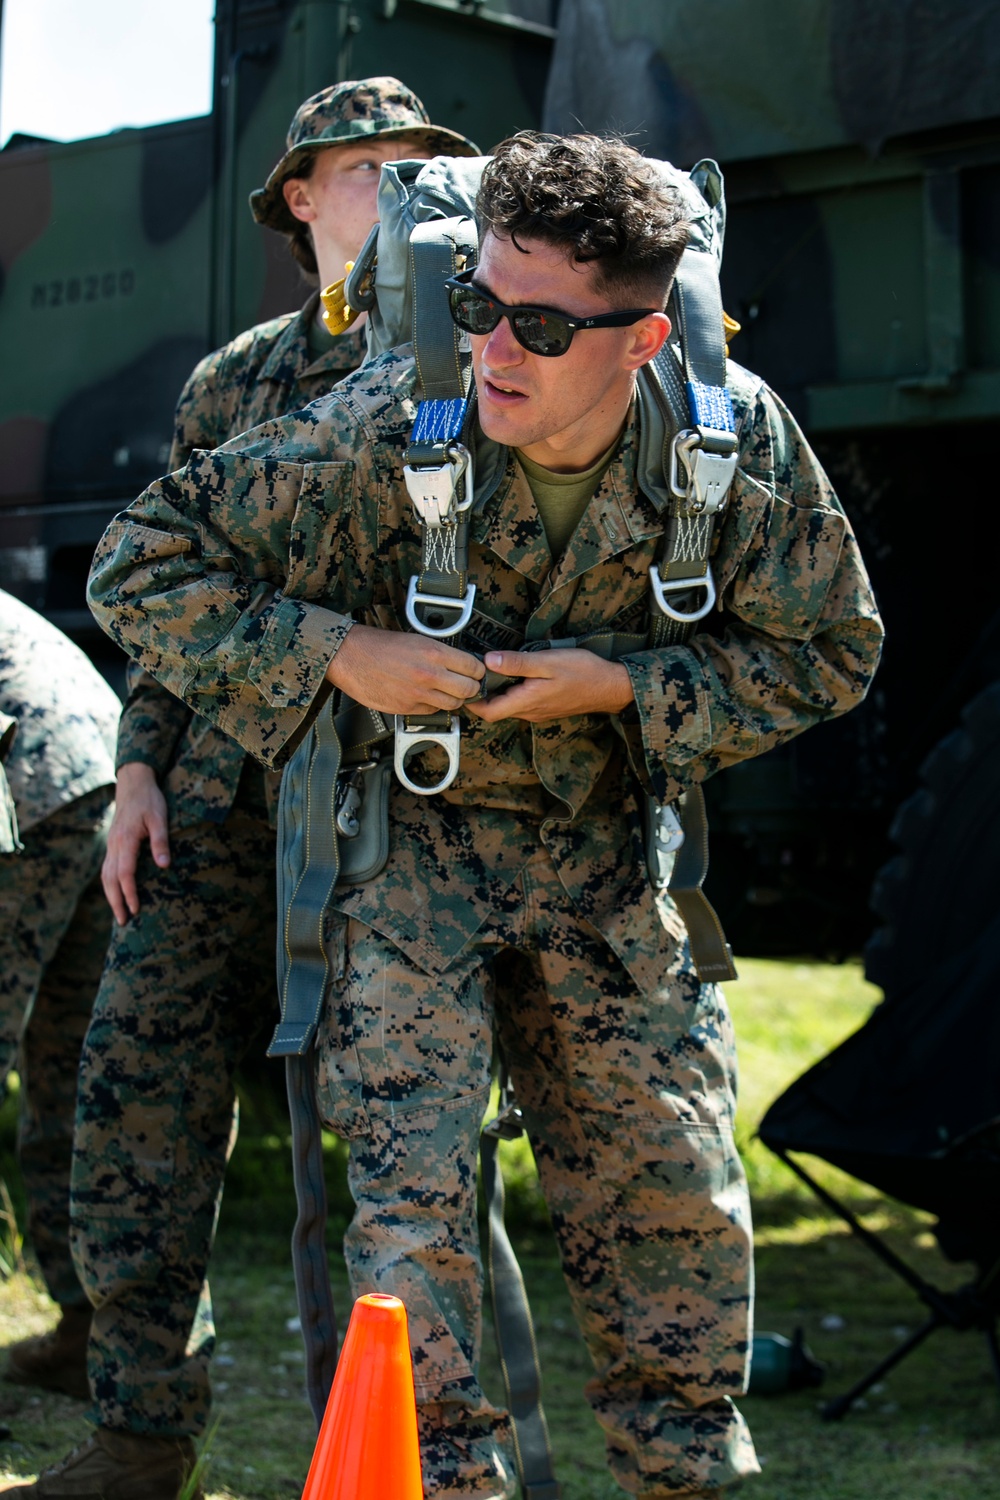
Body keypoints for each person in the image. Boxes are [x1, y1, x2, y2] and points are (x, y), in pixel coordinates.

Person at [84, 131, 884, 1499]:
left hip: (618, 867)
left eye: (537, 324)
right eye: (474, 304)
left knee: (673, 1214)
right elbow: (141, 562)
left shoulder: (728, 445)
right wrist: (339, 652)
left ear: (641, 340)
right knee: (411, 1231)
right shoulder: (387, 427)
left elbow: (833, 651)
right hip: (411, 865)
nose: (493, 349)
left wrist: (624, 689)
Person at [0, 79, 476, 1500]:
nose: (398, 191)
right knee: (133, 1103)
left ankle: (432, 1446)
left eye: (421, 167)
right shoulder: (237, 380)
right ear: (298, 199)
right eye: (367, 168)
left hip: (403, 806)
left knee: (412, 1142)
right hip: (212, 799)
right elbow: (174, 594)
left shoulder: (484, 357)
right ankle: (145, 1430)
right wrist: (141, 762)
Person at [0, 593, 119, 1402]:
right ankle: (98, 1336)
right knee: (77, 1072)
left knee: (71, 1070)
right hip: (101, 767)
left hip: (28, 784)